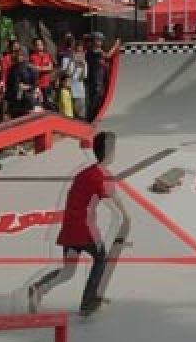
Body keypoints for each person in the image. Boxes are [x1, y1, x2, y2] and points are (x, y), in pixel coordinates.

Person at [28, 131, 133, 317]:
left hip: (69, 228)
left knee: (68, 271)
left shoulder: (84, 173)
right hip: (85, 229)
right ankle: (89, 301)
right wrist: (127, 217)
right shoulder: (100, 175)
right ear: (109, 152)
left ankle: (38, 288)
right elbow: (114, 204)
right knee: (101, 259)